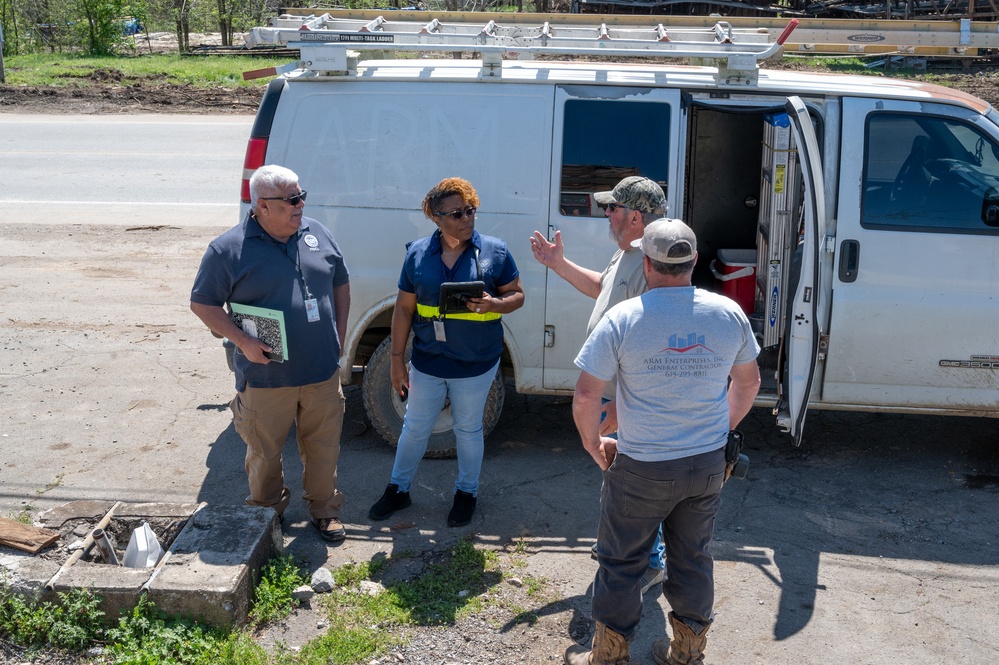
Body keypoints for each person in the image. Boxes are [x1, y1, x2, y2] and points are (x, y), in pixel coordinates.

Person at [563, 218, 761, 665]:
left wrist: (596, 445)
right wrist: (717, 431)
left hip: (642, 468)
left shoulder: (625, 317)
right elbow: (749, 384)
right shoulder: (727, 313)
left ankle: (610, 656)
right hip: (707, 466)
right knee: (693, 558)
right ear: (693, 260)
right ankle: (687, 654)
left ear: (647, 263)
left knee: (621, 563)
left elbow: (586, 394)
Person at [190, 164, 351, 543]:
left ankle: (325, 511)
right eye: (292, 199)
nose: (301, 205)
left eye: (301, 195)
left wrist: (339, 334)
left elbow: (341, 283)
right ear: (262, 206)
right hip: (266, 378)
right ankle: (266, 514)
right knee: (264, 453)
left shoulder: (317, 233)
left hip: (321, 372)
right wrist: (243, 342)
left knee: (324, 447)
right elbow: (203, 304)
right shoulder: (228, 249)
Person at [530, 175, 668, 595]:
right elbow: (602, 291)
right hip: (615, 388)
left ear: (635, 216)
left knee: (635, 478)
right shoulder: (627, 252)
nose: (605, 213)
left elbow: (653, 341)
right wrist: (559, 264)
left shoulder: (651, 260)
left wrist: (623, 403)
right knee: (621, 476)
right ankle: (626, 548)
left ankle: (651, 561)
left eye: (613, 208)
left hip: (631, 393)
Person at [368, 177, 524, 528]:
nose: (466, 218)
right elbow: (404, 309)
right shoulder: (418, 254)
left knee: (468, 431)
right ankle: (399, 489)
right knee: (414, 428)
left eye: (470, 210)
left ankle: (466, 493)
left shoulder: (495, 251)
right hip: (428, 361)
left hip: (476, 364)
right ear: (435, 218)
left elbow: (517, 294)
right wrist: (396, 360)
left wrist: (495, 304)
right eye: (456, 213)